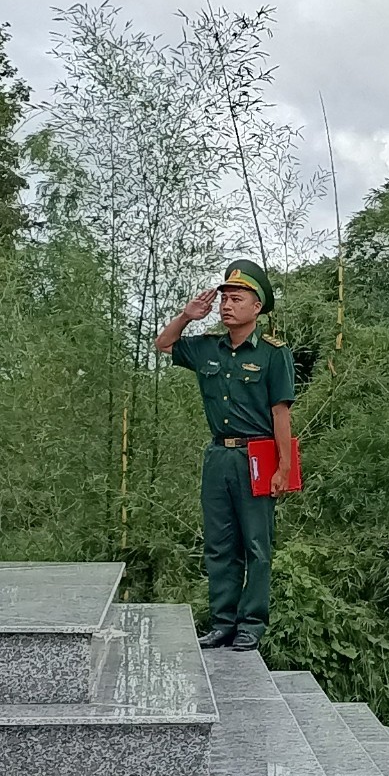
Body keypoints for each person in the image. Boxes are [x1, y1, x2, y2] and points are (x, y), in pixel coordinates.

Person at [155, 259, 296, 652]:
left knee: (256, 546)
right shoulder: (207, 348)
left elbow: (280, 413)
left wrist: (284, 468)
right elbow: (163, 344)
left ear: (257, 307)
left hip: (257, 456)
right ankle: (222, 623)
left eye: (237, 299)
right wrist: (187, 315)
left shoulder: (273, 354)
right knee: (219, 544)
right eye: (224, 299)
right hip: (219, 456)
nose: (227, 305)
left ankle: (251, 624)